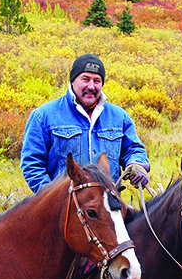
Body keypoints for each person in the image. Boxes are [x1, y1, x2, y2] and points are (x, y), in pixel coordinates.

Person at [20, 53, 150, 193]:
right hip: (65, 209)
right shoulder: (43, 116)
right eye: (85, 79)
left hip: (108, 206)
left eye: (97, 81)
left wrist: (136, 164)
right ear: (73, 81)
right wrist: (53, 197)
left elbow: (133, 148)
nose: (91, 86)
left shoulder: (119, 117)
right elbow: (32, 164)